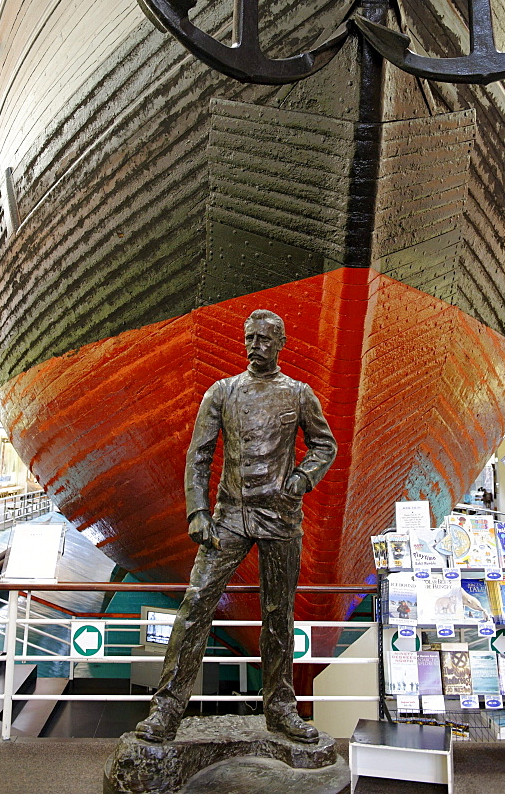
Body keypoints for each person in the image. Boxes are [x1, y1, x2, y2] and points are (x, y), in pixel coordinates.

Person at [135, 308, 337, 745]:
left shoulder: (300, 395)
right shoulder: (222, 392)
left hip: (281, 519)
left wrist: (302, 479)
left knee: (279, 616)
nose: (255, 346)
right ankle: (167, 710)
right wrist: (197, 511)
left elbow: (325, 445)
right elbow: (199, 455)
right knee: (195, 607)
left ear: (281, 343)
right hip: (229, 516)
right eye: (250, 338)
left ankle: (282, 710)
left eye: (265, 339)